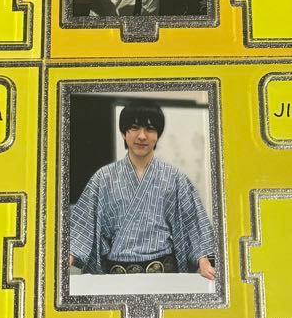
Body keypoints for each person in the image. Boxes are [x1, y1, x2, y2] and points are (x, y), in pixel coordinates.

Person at [69, 100, 216, 279]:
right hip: (117, 278)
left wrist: (203, 261)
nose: (142, 136)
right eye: (134, 128)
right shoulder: (103, 178)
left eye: (150, 129)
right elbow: (83, 224)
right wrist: (69, 256)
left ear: (158, 135)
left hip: (164, 276)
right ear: (124, 133)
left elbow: (192, 224)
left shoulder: (175, 178)